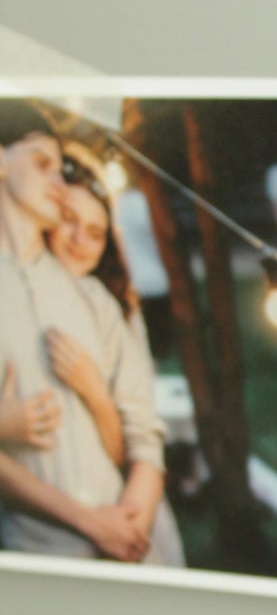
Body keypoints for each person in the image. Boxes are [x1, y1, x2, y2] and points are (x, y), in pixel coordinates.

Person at [0, 108, 167, 563]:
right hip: (37, 556)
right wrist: (91, 524)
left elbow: (141, 439)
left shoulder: (93, 297)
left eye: (60, 167)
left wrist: (128, 533)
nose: (57, 180)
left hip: (130, 544)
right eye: (42, 163)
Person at [47, 147, 184, 566]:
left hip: (131, 495)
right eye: (68, 220)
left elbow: (141, 438)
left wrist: (94, 391)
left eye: (95, 232)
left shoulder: (114, 306)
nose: (79, 241)